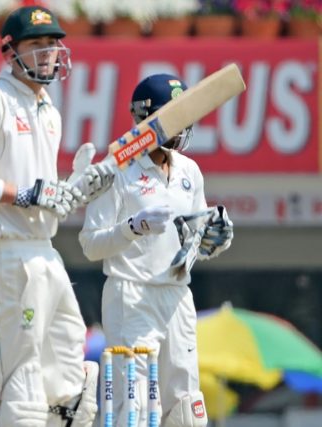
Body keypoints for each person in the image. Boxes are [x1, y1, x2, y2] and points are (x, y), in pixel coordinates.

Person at [0, 5, 113, 427]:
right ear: (9, 51)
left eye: (53, 44)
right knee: (21, 385)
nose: (48, 53)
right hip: (5, 256)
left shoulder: (48, 109)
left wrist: (72, 188)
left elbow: (42, 194)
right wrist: (24, 195)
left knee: (72, 381)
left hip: (45, 252)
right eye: (36, 45)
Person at [79, 74, 233, 427]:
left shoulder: (189, 171)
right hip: (130, 296)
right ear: (147, 118)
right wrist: (133, 227)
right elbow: (90, 244)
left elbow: (193, 240)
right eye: (174, 114)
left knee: (186, 404)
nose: (183, 123)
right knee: (134, 406)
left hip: (177, 295)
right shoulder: (117, 168)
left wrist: (214, 240)